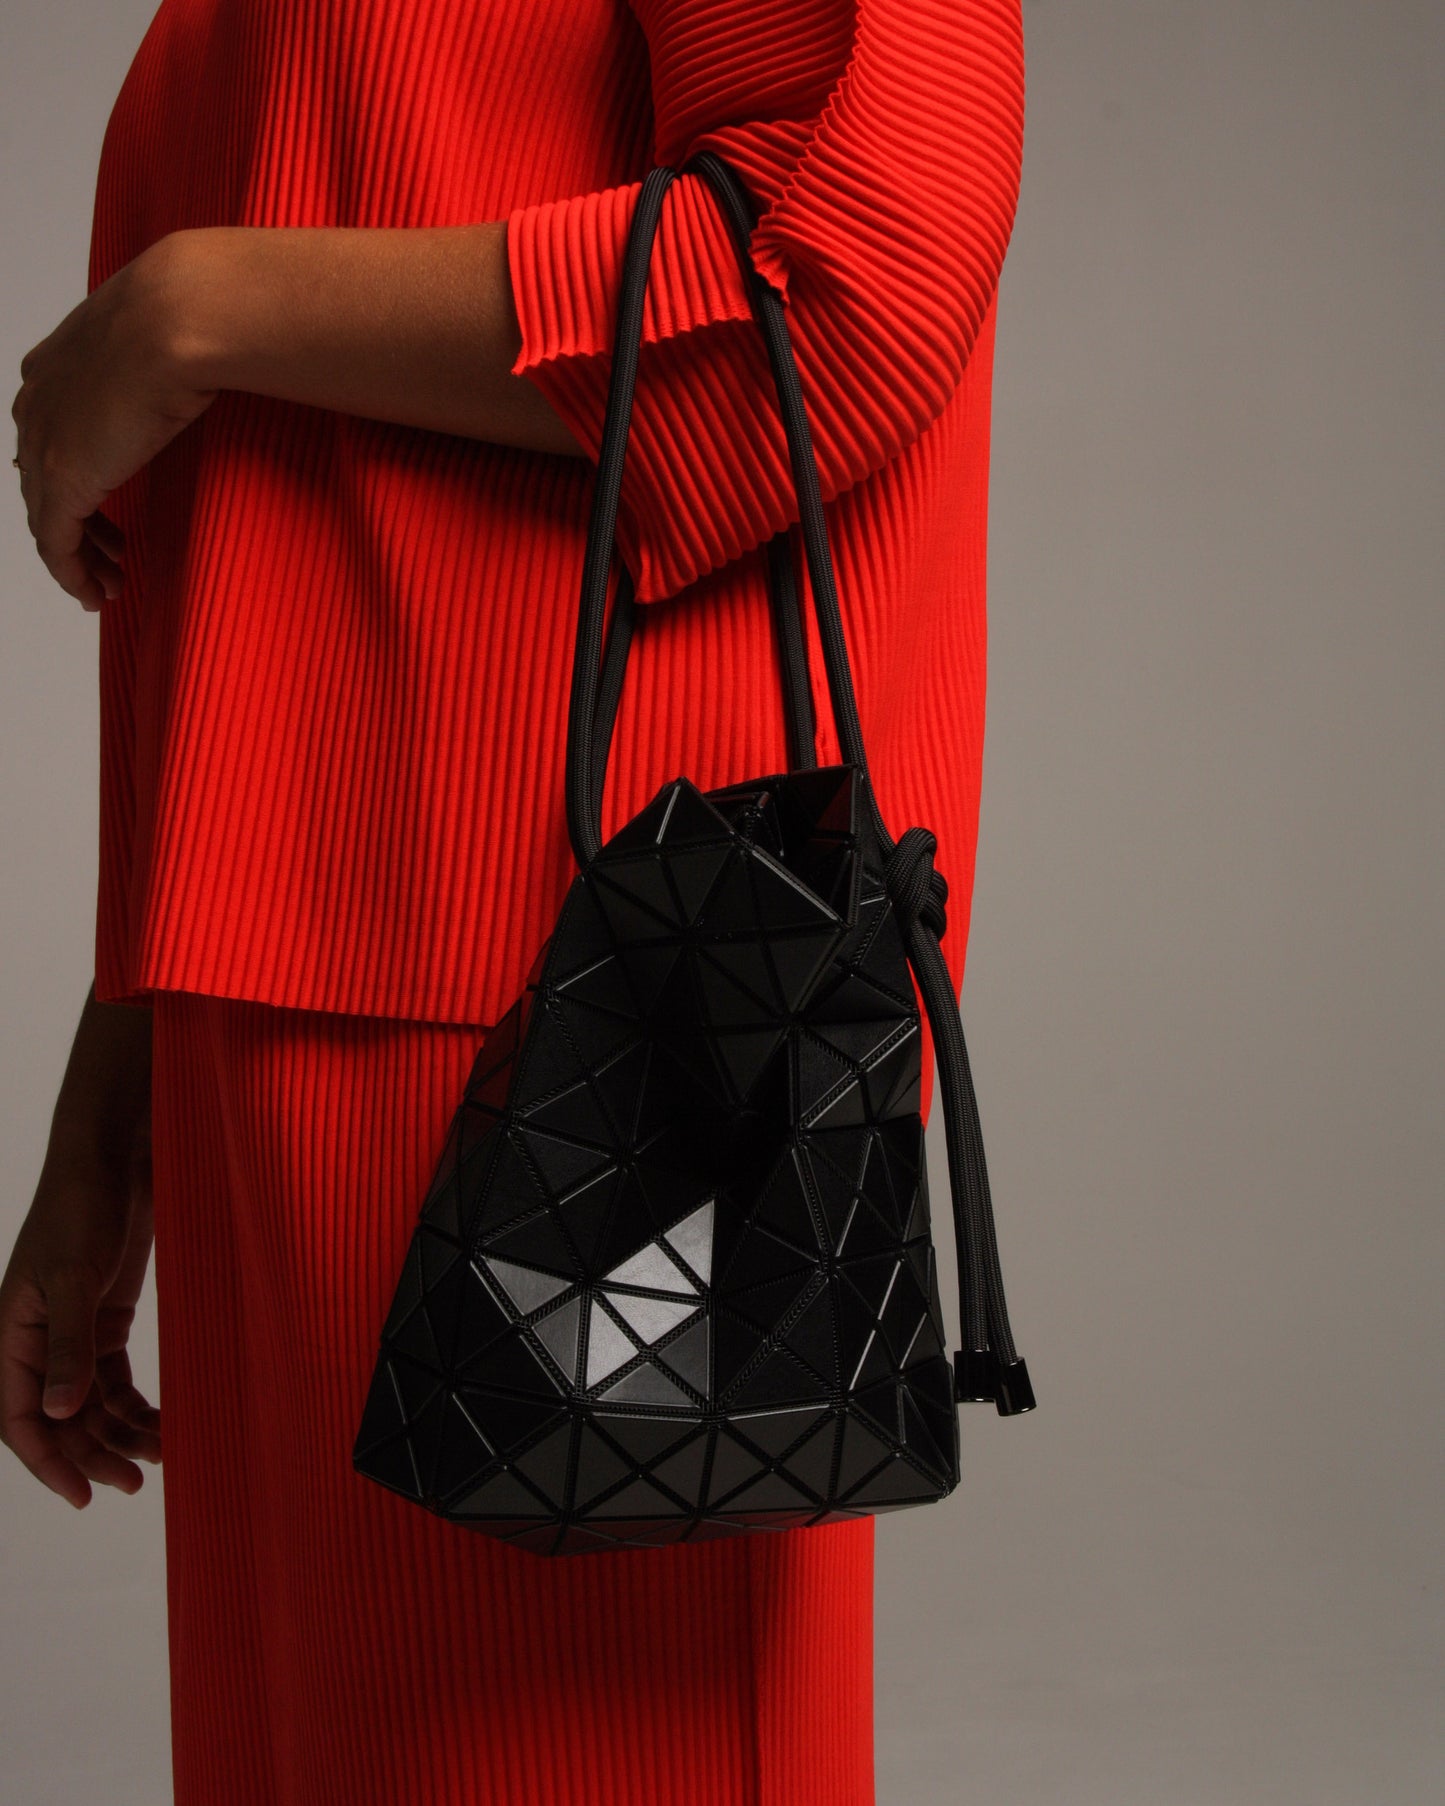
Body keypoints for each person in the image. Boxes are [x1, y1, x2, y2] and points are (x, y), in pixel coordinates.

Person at [1, 0, 1027, 1800]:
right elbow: (264, 557)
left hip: (595, 1027)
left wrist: (189, 308)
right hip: (276, 1031)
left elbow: (842, 281)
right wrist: (122, 1084)